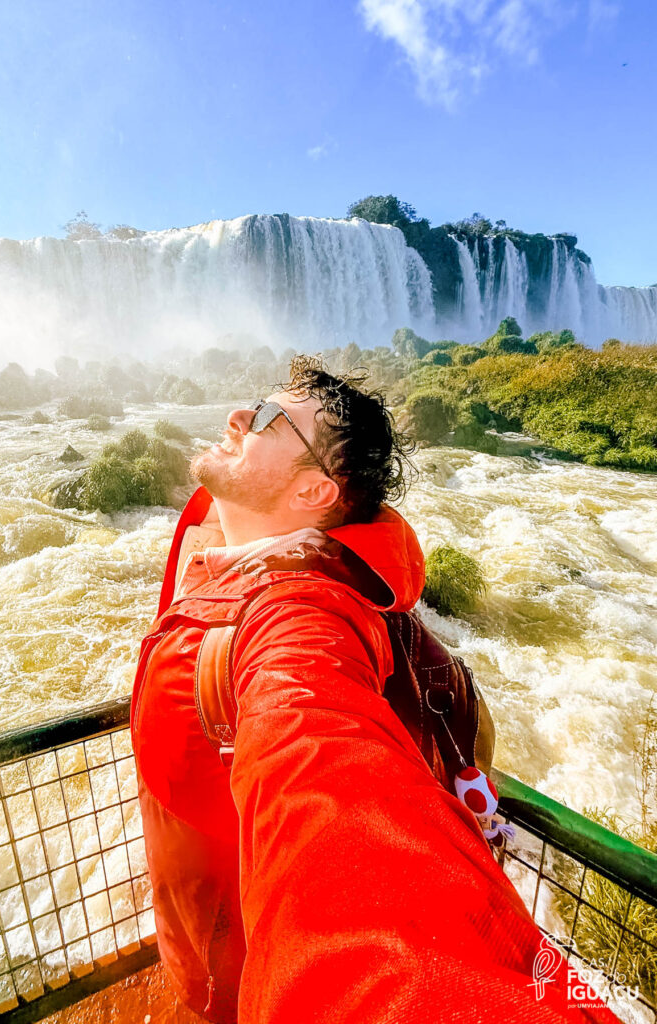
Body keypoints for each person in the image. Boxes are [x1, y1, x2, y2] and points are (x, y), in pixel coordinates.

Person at [130, 356, 615, 1024]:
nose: (238, 416)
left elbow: (328, 784)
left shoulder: (296, 613)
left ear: (315, 493)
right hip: (213, 934)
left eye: (269, 419)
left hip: (254, 981)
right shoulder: (238, 540)